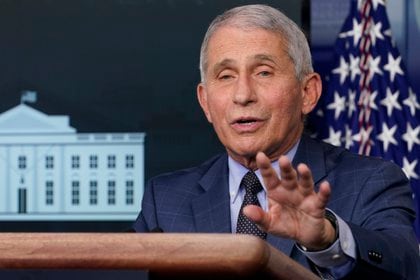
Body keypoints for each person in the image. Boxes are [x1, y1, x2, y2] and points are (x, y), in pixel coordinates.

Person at [133, 4, 420, 279]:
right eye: (226, 76)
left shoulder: (371, 181)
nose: (243, 94)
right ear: (205, 102)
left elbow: (404, 267)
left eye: (263, 72)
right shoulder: (165, 199)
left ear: (308, 92)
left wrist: (327, 240)